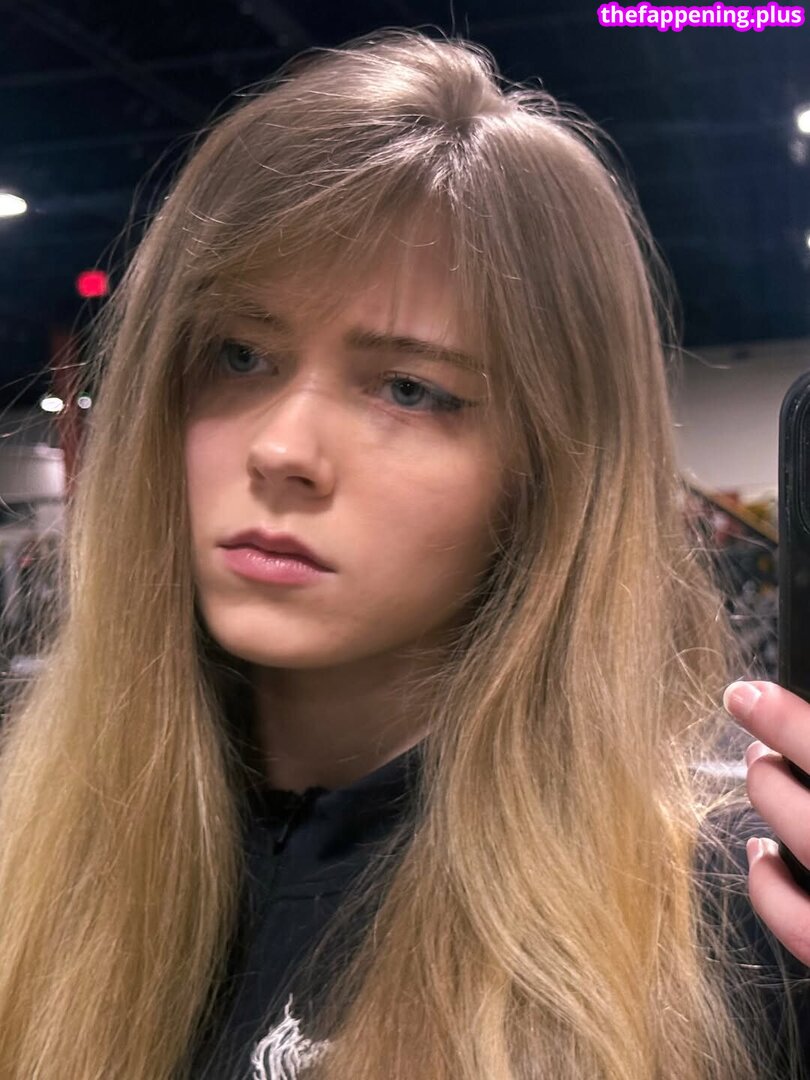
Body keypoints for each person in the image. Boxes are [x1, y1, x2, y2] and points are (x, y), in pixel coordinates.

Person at [0, 26, 804, 1080]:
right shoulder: (30, 863)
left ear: (545, 471)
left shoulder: (724, 931)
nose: (283, 449)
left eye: (411, 389)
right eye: (240, 355)